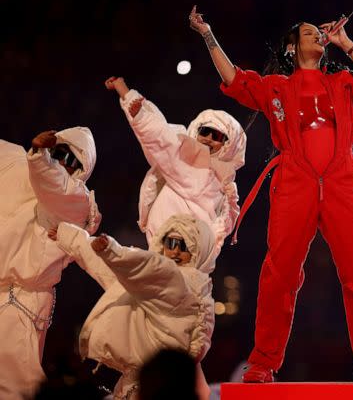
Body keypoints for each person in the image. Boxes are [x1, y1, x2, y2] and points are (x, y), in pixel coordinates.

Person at [189, 6, 353, 383]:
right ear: (290, 46)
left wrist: (347, 44)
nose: (318, 35)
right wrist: (208, 36)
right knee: (279, 273)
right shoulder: (276, 88)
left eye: (321, 32)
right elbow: (234, 80)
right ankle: (263, 363)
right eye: (309, 32)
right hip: (294, 179)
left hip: (342, 181)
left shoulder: (344, 82)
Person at [53, 214, 215, 399]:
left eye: (184, 246)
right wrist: (70, 237)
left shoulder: (179, 283)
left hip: (157, 386)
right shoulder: (152, 285)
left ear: (199, 250)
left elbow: (145, 267)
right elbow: (110, 268)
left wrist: (111, 251)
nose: (175, 251)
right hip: (147, 381)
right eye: (170, 243)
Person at [0, 128, 100, 399]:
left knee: (16, 386)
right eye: (60, 153)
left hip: (18, 301)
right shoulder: (18, 162)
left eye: (72, 161)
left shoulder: (75, 200)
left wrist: (42, 157)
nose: (63, 163)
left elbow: (54, 181)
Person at [105, 76, 246, 258]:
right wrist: (127, 95)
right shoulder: (187, 157)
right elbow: (160, 137)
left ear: (229, 145)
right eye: (205, 131)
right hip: (170, 244)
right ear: (196, 131)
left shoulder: (226, 183)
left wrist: (209, 249)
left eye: (217, 136)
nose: (209, 138)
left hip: (187, 250)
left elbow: (224, 224)